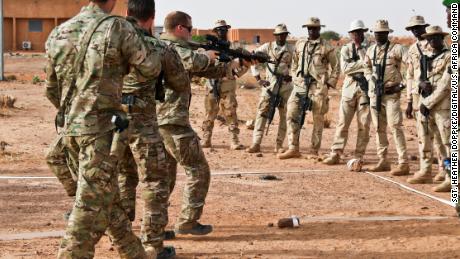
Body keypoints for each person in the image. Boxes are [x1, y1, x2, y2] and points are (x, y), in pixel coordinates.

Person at [45, 0, 162, 257]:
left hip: (70, 133)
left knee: (107, 198)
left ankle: (134, 253)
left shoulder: (60, 31)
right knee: (88, 211)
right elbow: (150, 67)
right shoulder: (118, 28)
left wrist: (77, 113)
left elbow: (51, 90)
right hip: (100, 136)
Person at [156, 11, 252, 238]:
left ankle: (156, 227)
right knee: (198, 171)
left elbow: (214, 71)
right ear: (180, 28)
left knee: (165, 177)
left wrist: (241, 64)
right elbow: (194, 61)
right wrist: (207, 54)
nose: (192, 33)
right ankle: (188, 221)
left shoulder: (161, 47)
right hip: (172, 120)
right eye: (190, 29)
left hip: (159, 121)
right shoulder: (171, 48)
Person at [115, 0, 185, 257]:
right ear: (152, 18)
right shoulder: (159, 47)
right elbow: (179, 82)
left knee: (124, 177)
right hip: (143, 122)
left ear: (127, 14)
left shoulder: (112, 44)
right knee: (155, 182)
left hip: (114, 122)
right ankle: (152, 246)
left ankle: (123, 239)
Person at [278, 17, 340, 159]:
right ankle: (293, 147)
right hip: (300, 85)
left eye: (314, 28)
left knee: (317, 118)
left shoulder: (327, 46)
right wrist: (295, 77)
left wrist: (330, 82)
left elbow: (336, 67)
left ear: (319, 29)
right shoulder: (300, 44)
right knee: (291, 113)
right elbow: (294, 63)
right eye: (309, 28)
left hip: (317, 86)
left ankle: (314, 150)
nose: (311, 30)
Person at [405, 16, 449, 185]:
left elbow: (446, 85)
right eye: (429, 38)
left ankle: (450, 175)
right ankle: (426, 170)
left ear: (442, 38)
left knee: (446, 142)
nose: (432, 41)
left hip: (442, 105)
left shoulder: (448, 56)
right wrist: (418, 88)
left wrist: (428, 101)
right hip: (424, 102)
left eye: (435, 38)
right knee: (425, 137)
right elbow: (413, 75)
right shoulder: (428, 56)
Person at [364, 20, 409, 176]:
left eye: (382, 32)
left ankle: (403, 163)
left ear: (387, 33)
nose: (378, 35)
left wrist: (401, 85)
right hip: (375, 95)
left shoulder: (397, 49)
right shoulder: (370, 51)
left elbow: (413, 67)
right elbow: (366, 68)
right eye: (376, 32)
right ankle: (383, 160)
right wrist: (372, 79)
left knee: (395, 127)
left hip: (392, 95)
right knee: (378, 129)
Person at [323, 20, 371, 165]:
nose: (356, 35)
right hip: (349, 88)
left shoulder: (371, 48)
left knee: (364, 124)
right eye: (353, 33)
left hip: (366, 89)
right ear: (350, 34)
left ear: (363, 32)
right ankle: (336, 153)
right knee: (343, 123)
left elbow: (372, 66)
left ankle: (359, 154)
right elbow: (345, 69)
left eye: (359, 32)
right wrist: (363, 64)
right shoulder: (345, 49)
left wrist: (361, 58)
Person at [201, 20, 249, 150]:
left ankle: (234, 140)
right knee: (210, 113)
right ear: (215, 32)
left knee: (230, 113)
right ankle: (206, 139)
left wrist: (235, 73)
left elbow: (246, 63)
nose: (222, 32)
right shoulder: (209, 47)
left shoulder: (233, 47)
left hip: (227, 85)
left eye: (224, 29)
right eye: (219, 30)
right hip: (211, 85)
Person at [246, 23, 294, 154]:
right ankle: (256, 143)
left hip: (286, 87)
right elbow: (252, 58)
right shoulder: (267, 47)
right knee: (262, 113)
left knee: (285, 116)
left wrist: (292, 76)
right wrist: (258, 79)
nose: (281, 37)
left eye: (284, 34)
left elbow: (298, 66)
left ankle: (279, 145)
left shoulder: (291, 49)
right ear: (275, 36)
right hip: (269, 86)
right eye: (279, 35)